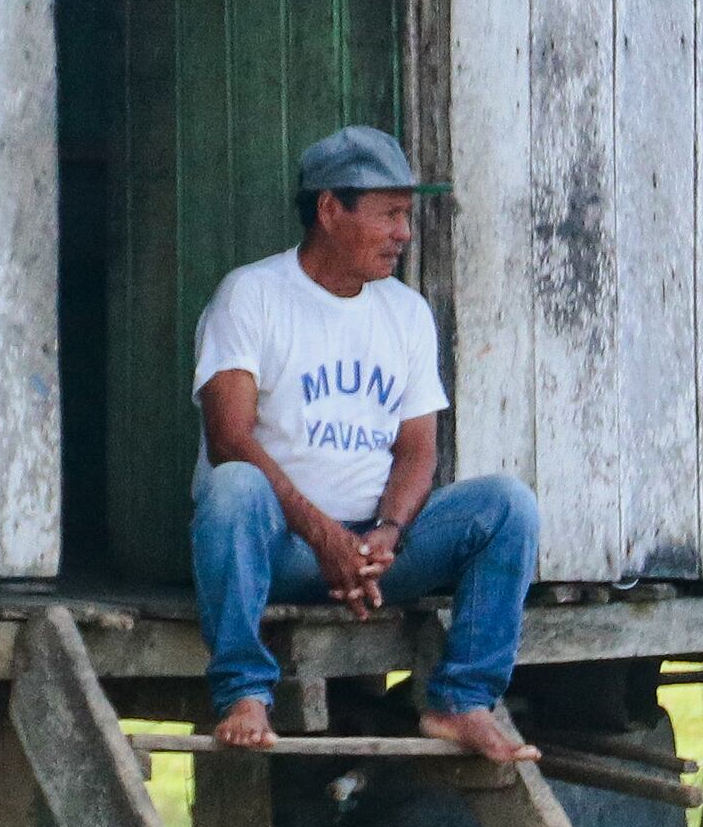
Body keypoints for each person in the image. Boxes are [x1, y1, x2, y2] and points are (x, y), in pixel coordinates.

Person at [189, 125, 542, 763]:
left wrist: (387, 532)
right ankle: (244, 692)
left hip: (376, 556)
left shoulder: (404, 311)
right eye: (390, 215)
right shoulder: (253, 296)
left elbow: (417, 450)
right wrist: (324, 538)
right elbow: (229, 438)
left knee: (507, 505)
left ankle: (461, 700)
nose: (404, 233)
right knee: (232, 486)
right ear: (330, 209)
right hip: (286, 549)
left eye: (407, 215)